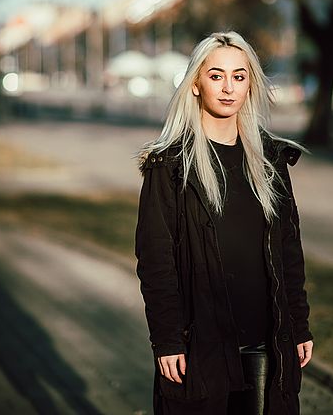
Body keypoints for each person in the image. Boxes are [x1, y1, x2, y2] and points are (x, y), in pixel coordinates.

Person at [135, 31, 313, 415]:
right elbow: (155, 262)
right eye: (216, 76)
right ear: (196, 84)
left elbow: (288, 249)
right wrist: (167, 340)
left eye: (239, 76)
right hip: (202, 346)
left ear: (250, 84)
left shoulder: (270, 160)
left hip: (267, 343)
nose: (228, 87)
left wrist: (297, 325)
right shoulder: (168, 166)